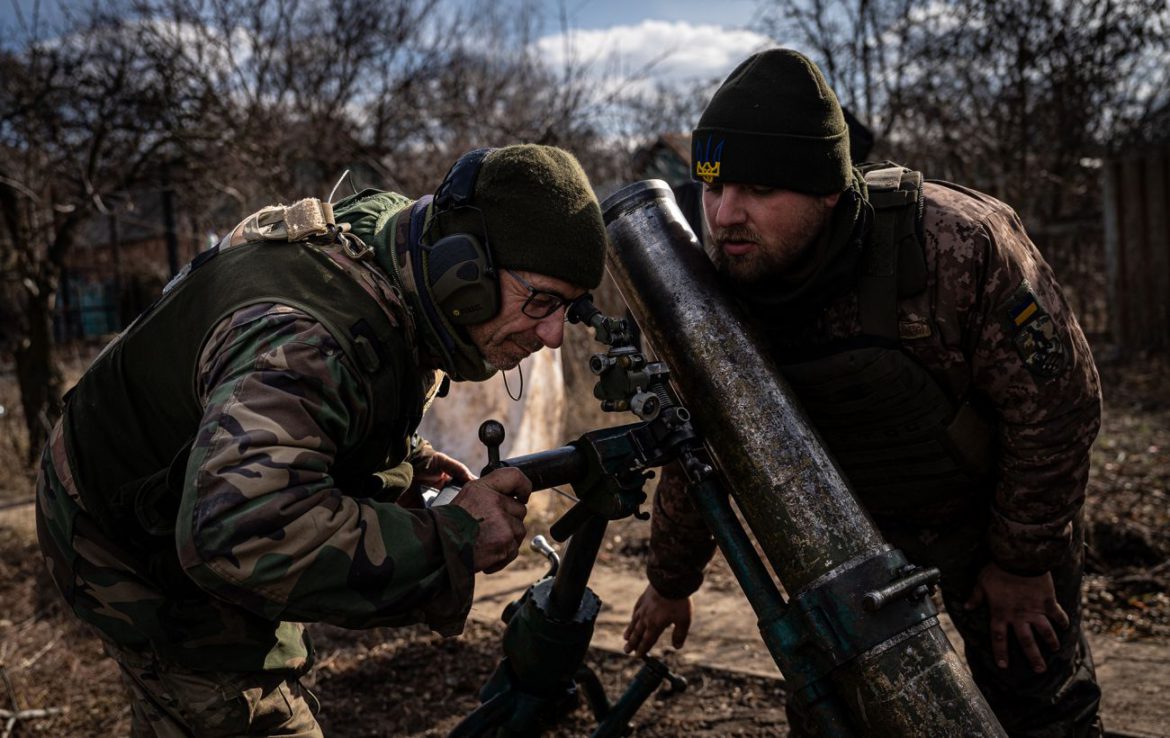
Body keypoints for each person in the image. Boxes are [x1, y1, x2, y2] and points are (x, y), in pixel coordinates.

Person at [35, 144, 609, 737]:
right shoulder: (304, 341)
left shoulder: (397, 249)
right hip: (116, 529)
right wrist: (453, 538)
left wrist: (405, 464)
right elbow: (238, 538)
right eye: (540, 301)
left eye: (569, 308)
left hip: (188, 490)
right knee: (239, 700)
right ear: (464, 270)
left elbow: (346, 393)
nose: (553, 336)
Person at [622, 49, 1104, 738]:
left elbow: (1059, 408)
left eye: (757, 191)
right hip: (845, 546)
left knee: (1040, 712)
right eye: (711, 186)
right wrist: (671, 581)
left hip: (992, 518)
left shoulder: (952, 246)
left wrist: (1021, 563)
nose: (725, 215)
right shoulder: (720, 291)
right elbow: (701, 444)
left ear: (824, 189)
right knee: (836, 719)